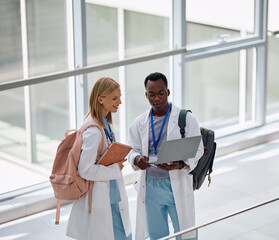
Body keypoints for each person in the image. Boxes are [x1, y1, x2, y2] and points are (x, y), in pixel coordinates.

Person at [128, 72, 204, 240]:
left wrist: (179, 164)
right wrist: (136, 158)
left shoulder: (187, 119)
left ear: (168, 92)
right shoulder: (138, 123)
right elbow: (132, 149)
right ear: (146, 95)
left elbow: (198, 149)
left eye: (161, 93)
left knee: (185, 235)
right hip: (150, 186)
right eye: (151, 94)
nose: (157, 98)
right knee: (157, 236)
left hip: (176, 182)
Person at [66, 77, 132, 240]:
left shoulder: (105, 124)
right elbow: (85, 170)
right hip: (102, 199)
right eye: (115, 98)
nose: (120, 102)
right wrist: (115, 168)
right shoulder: (94, 131)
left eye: (120, 97)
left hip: (112, 197)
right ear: (100, 99)